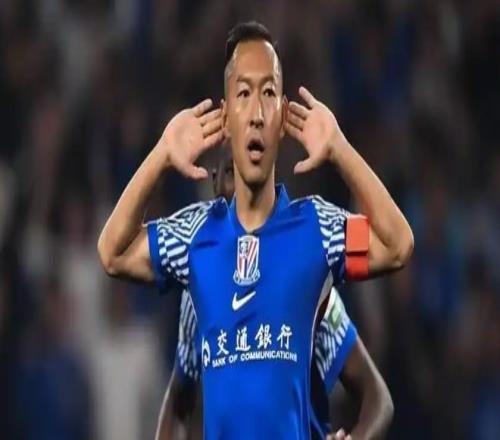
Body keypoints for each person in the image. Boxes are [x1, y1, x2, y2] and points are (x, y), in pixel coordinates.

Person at [98, 21, 413, 439]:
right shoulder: (194, 237)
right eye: (244, 94)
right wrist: (161, 154)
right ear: (226, 118)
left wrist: (339, 148)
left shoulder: (317, 229)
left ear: (283, 115)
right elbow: (112, 252)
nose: (257, 114)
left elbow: (397, 245)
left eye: (268, 94)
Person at [156, 151, 394, 440]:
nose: (242, 188)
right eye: (232, 172)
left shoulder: (305, 283)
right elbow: (179, 402)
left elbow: (377, 397)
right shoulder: (197, 291)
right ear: (215, 184)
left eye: (250, 174)